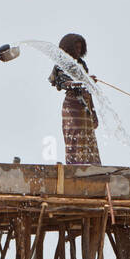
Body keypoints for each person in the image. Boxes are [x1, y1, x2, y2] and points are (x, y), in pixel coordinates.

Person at [49, 33, 100, 165]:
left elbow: (88, 90)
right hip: (72, 106)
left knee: (88, 139)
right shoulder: (61, 65)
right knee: (75, 138)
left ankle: (92, 169)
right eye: (75, 48)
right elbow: (64, 83)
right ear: (68, 49)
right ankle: (75, 169)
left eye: (80, 48)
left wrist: (93, 112)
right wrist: (83, 82)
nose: (78, 51)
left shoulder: (82, 65)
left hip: (85, 105)